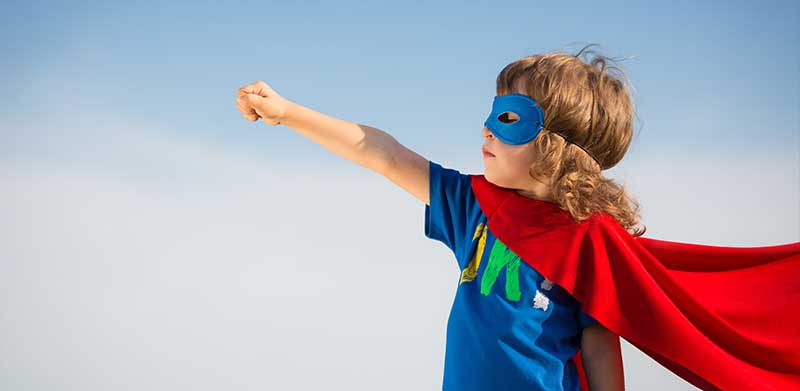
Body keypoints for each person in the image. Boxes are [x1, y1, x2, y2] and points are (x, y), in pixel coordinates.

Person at [235, 45, 800, 391]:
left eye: (507, 116)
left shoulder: (589, 240)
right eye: (490, 111)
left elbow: (601, 343)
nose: (485, 127)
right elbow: (382, 153)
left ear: (555, 146)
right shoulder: (472, 206)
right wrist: (287, 113)